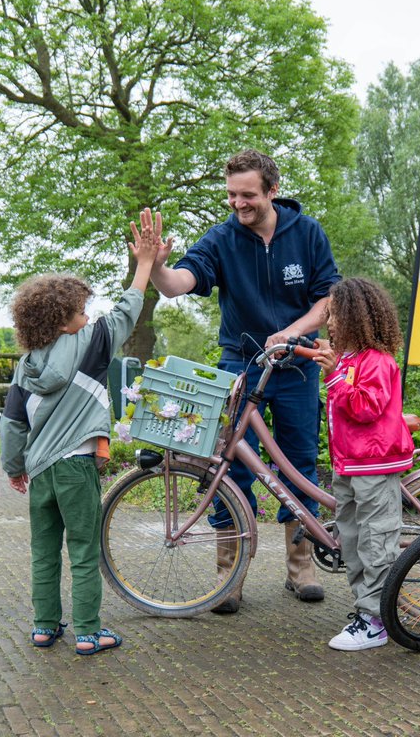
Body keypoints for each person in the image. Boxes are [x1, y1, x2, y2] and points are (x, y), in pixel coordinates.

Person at [148, 149, 340, 612]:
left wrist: (292, 332)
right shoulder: (221, 239)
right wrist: (154, 265)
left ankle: (301, 567)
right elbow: (178, 283)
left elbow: (330, 297)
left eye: (248, 195)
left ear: (272, 190)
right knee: (228, 466)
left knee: (298, 464)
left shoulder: (308, 233)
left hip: (296, 365)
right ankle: (228, 575)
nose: (238, 203)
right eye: (232, 195)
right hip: (241, 364)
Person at [1, 210, 160, 655]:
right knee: (85, 551)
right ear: (60, 318)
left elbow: (13, 422)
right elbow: (130, 306)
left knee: (44, 551)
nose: (88, 315)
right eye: (80, 310)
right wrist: (144, 263)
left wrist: (14, 468)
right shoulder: (92, 342)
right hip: (75, 466)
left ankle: (44, 626)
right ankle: (89, 632)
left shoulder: (25, 364)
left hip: (40, 472)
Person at [312, 278, 416, 651]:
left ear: (357, 317)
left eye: (337, 314)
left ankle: (376, 620)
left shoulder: (377, 361)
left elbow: (365, 407)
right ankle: (365, 609)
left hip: (373, 466)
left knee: (376, 542)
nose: (331, 322)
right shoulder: (350, 360)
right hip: (350, 466)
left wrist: (334, 375)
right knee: (352, 541)